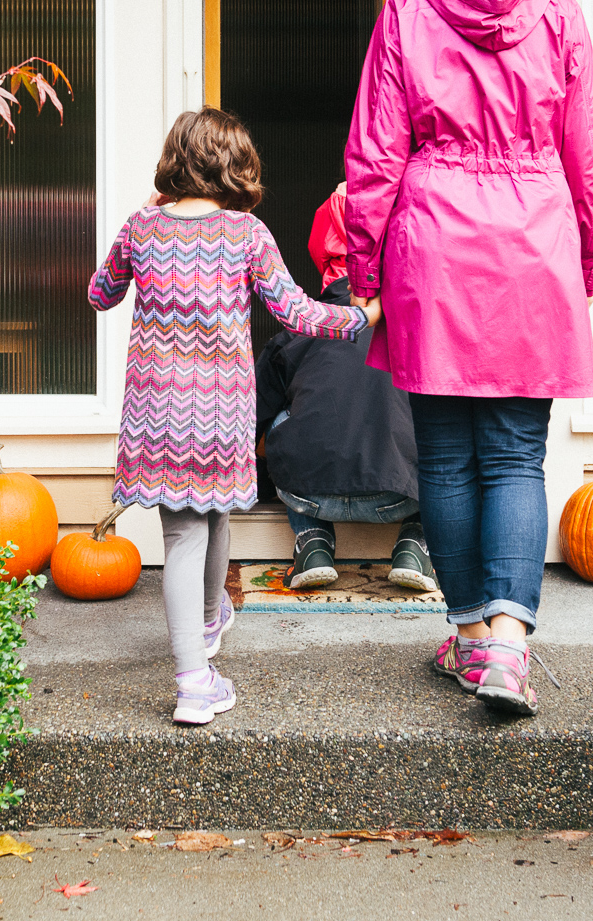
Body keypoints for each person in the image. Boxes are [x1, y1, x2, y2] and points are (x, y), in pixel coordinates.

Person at [343, 0, 593, 715]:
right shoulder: (560, 16)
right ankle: (507, 647)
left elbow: (375, 155)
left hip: (432, 244)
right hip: (532, 239)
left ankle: (468, 639)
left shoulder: (407, 12)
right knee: (515, 455)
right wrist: (582, 264)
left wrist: (364, 270)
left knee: (451, 460)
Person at [89, 108, 380, 726]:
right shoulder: (247, 234)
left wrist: (143, 216)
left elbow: (100, 292)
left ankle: (207, 617)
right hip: (219, 414)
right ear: (235, 167)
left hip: (157, 414)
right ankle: (194, 681)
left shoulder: (142, 227)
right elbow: (298, 314)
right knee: (204, 521)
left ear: (174, 163)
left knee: (189, 527)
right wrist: (364, 317)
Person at [255, 183, 433, 592]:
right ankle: (415, 544)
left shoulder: (299, 327)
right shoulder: (420, 324)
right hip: (400, 496)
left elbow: (253, 418)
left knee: (285, 415)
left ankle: (311, 540)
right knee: (438, 427)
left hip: (309, 494)